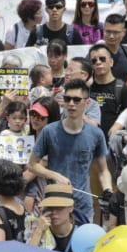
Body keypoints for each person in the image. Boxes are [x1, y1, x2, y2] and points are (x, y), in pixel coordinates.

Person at [29, 79, 113, 222]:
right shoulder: (50, 131)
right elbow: (32, 165)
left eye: (76, 100)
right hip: (55, 204)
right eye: (67, 99)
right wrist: (55, 176)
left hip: (83, 206)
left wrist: (108, 189)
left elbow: (102, 169)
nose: (71, 104)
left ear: (87, 103)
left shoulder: (96, 134)